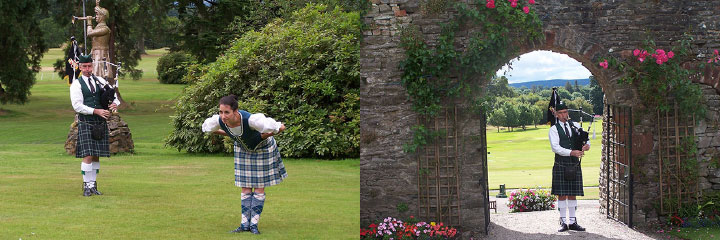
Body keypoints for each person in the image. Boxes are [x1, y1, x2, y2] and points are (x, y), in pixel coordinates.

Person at [202, 95, 287, 235]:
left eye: (226, 112)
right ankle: (243, 225)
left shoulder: (252, 120)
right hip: (243, 149)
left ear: (235, 111)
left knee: (259, 187)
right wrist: (234, 136)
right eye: (221, 112)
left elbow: (277, 128)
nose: (223, 116)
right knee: (245, 187)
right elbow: (209, 129)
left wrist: (264, 135)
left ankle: (253, 225)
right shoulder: (219, 121)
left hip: (262, 149)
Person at [69, 54, 119, 197]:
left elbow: (112, 95)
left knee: (96, 155)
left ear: (92, 66)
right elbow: (77, 106)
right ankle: (86, 186)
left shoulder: (100, 80)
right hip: (87, 122)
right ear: (80, 67)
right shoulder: (76, 84)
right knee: (88, 155)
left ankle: (93, 185)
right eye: (84, 66)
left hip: (100, 122)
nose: (87, 69)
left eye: (89, 66)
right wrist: (96, 111)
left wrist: (114, 104)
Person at [548, 101, 589, 232]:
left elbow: (584, 138)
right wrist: (571, 152)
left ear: (568, 112)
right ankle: (563, 222)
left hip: (574, 163)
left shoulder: (575, 125)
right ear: (556, 114)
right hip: (561, 163)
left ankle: (572, 221)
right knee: (562, 194)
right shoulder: (554, 129)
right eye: (560, 113)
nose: (563, 115)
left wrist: (586, 145)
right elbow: (555, 147)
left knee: (572, 194)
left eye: (565, 112)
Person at [86, 1, 111, 79]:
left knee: (100, 74)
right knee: (93, 74)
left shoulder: (105, 29)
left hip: (101, 54)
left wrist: (89, 22)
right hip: (95, 53)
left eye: (97, 14)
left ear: (103, 16)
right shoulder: (99, 27)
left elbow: (89, 33)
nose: (95, 16)